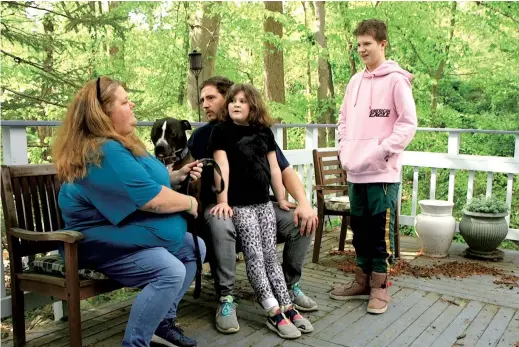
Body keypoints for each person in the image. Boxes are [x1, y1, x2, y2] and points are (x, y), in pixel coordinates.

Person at [52, 76, 206, 347]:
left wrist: (177, 176)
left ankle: (162, 322)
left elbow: (138, 184)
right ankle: (135, 343)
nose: (132, 104)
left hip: (121, 232)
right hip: (92, 244)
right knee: (169, 270)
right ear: (103, 113)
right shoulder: (103, 150)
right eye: (124, 101)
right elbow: (152, 200)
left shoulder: (121, 143)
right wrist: (191, 204)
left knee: (195, 249)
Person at [188, 76, 318, 334]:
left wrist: (302, 202)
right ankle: (226, 296)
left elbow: (282, 169)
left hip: (259, 202)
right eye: (202, 99)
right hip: (219, 204)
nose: (204, 104)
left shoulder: (259, 132)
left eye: (211, 97)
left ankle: (288, 287)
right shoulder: (204, 135)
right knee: (221, 222)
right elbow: (188, 171)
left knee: (302, 221)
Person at [330, 19, 417, 315]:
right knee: (360, 231)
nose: (362, 49)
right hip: (355, 172)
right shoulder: (354, 81)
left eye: (368, 43)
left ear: (382, 44)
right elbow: (342, 120)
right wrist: (344, 148)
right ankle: (361, 281)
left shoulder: (396, 80)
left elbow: (407, 124)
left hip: (381, 173)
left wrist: (381, 152)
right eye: (358, 44)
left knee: (379, 233)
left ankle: (380, 288)